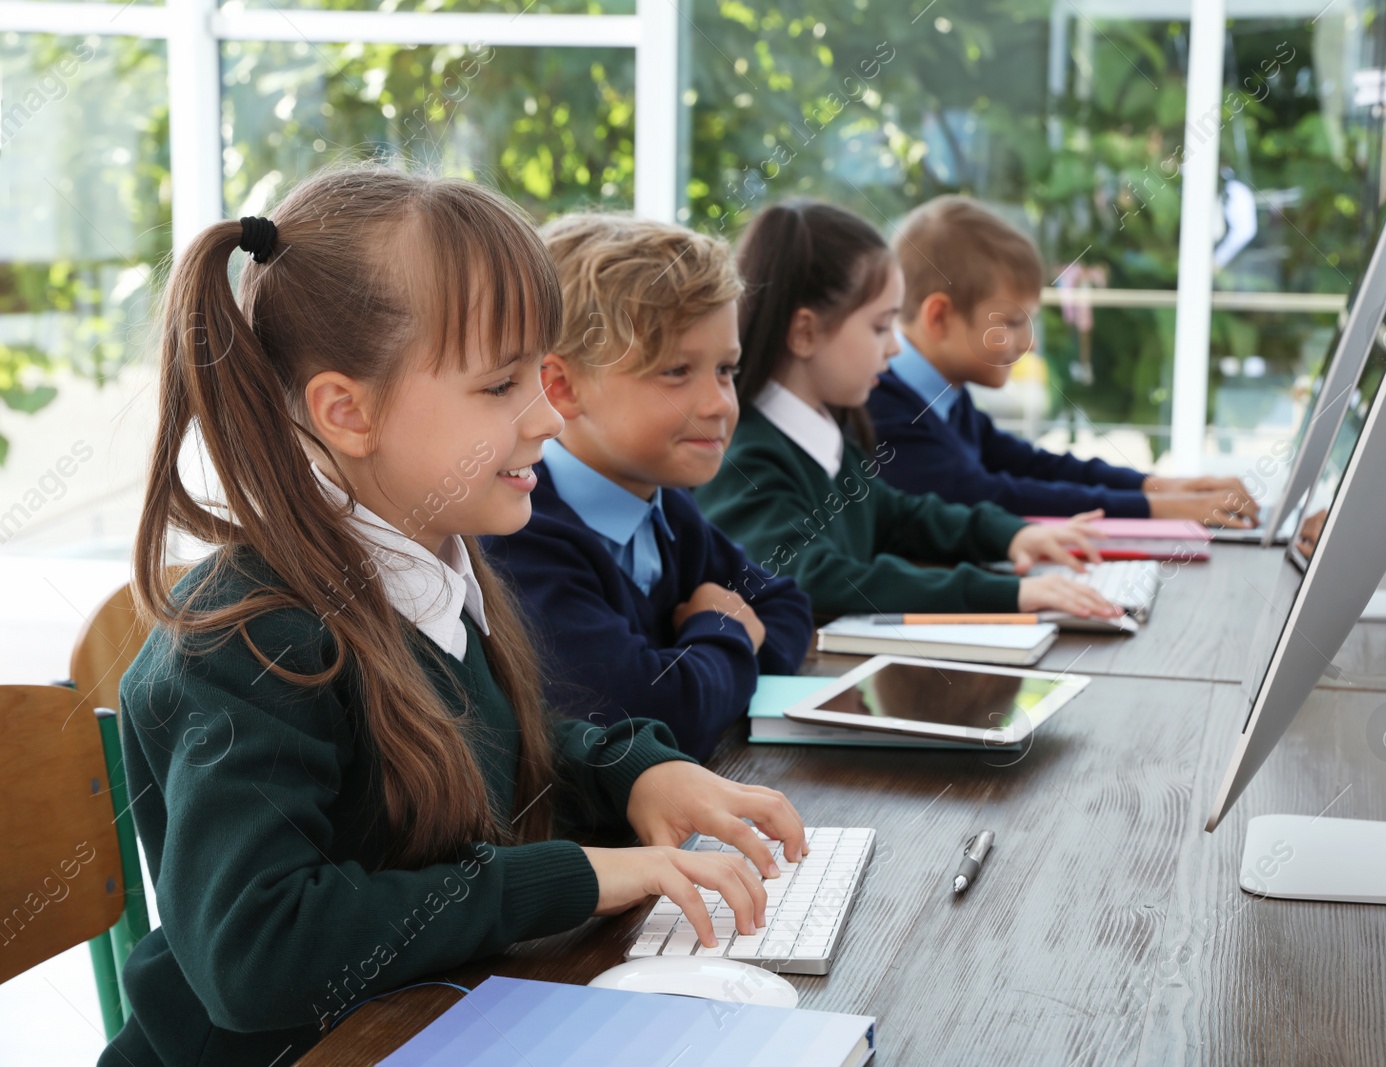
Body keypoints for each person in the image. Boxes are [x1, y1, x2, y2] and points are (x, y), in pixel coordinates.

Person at [105, 168, 805, 1067]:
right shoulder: (252, 635)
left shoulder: (431, 567)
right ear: (347, 412)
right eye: (501, 385)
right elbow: (258, 951)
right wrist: (576, 876)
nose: (550, 416)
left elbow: (503, 748)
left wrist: (633, 772)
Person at [481, 214, 812, 760]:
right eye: (676, 371)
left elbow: (785, 605)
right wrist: (723, 630)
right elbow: (652, 717)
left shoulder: (669, 511)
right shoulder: (525, 536)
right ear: (561, 388)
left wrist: (702, 666)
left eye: (726, 370)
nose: (720, 404)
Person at [695, 199, 1122, 620]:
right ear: (805, 332)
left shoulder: (827, 437)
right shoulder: (744, 456)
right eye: (881, 327)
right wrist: (1007, 593)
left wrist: (1013, 535)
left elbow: (900, 514)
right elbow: (813, 577)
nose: (895, 346)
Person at [865, 195, 1259, 527]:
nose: (1027, 343)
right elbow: (988, 496)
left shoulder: (945, 400)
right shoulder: (886, 412)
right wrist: (1160, 508)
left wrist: (1158, 487)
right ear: (939, 318)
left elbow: (1034, 467)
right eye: (1011, 322)